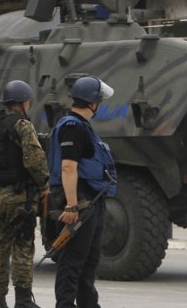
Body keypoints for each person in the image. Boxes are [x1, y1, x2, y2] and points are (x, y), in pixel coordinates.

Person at [0, 80, 50, 308]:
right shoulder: (23, 126)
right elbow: (34, 159)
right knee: (23, 245)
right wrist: (44, 184)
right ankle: (23, 300)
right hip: (19, 196)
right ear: (23, 103)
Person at [47, 76, 117, 308]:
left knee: (89, 260)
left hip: (91, 201)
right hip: (79, 201)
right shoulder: (72, 127)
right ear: (92, 102)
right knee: (72, 260)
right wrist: (71, 205)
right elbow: (68, 167)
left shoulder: (83, 126)